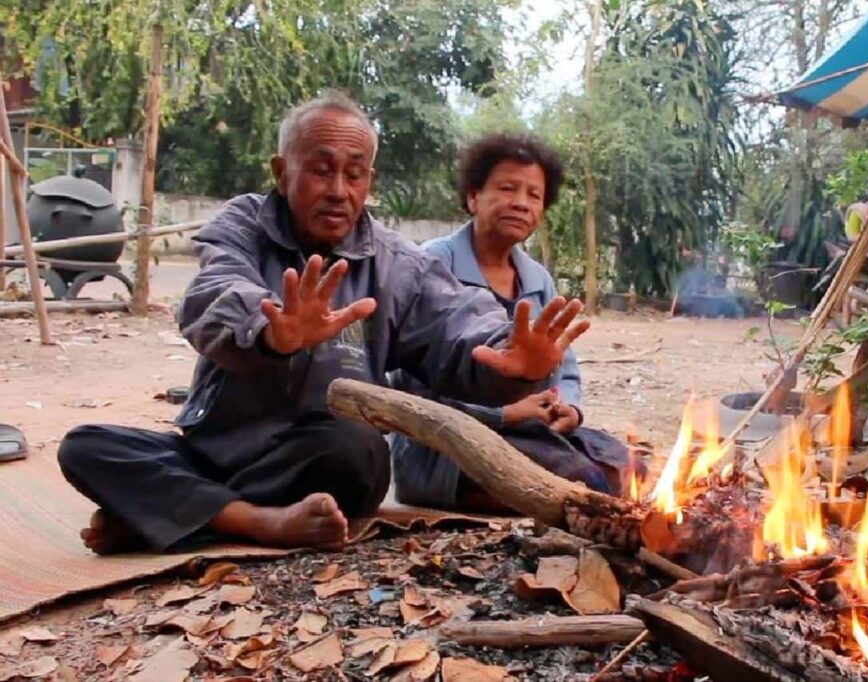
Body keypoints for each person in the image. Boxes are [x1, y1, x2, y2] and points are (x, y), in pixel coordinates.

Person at [56, 93, 590, 555]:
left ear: (368, 181)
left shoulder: (397, 263)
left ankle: (169, 512)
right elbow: (211, 295)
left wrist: (513, 361)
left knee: (361, 455)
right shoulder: (245, 224)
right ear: (281, 171)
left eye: (354, 173)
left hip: (317, 456)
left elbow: (458, 323)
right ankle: (252, 521)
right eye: (320, 168)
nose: (339, 189)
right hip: (217, 448)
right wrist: (271, 331)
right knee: (85, 445)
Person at [391, 133, 636, 513]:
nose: (521, 203)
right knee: (584, 485)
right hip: (445, 445)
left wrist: (568, 408)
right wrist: (503, 414)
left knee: (629, 469)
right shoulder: (430, 266)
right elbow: (410, 391)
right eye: (507, 189)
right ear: (473, 197)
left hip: (529, 431)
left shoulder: (537, 279)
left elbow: (564, 367)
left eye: (534, 195)